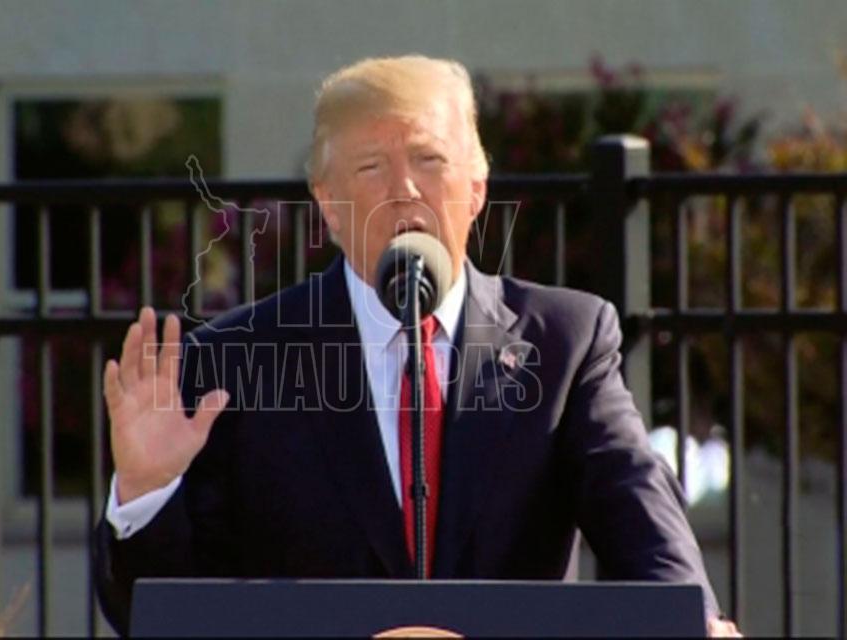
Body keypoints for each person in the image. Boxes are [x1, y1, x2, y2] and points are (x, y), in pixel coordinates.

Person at [94, 55, 740, 637]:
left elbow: (638, 512)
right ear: (329, 205)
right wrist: (148, 491)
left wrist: (695, 622)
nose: (404, 189)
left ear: (477, 189)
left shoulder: (564, 341)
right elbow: (162, 614)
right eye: (371, 167)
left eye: (429, 160)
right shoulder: (234, 360)